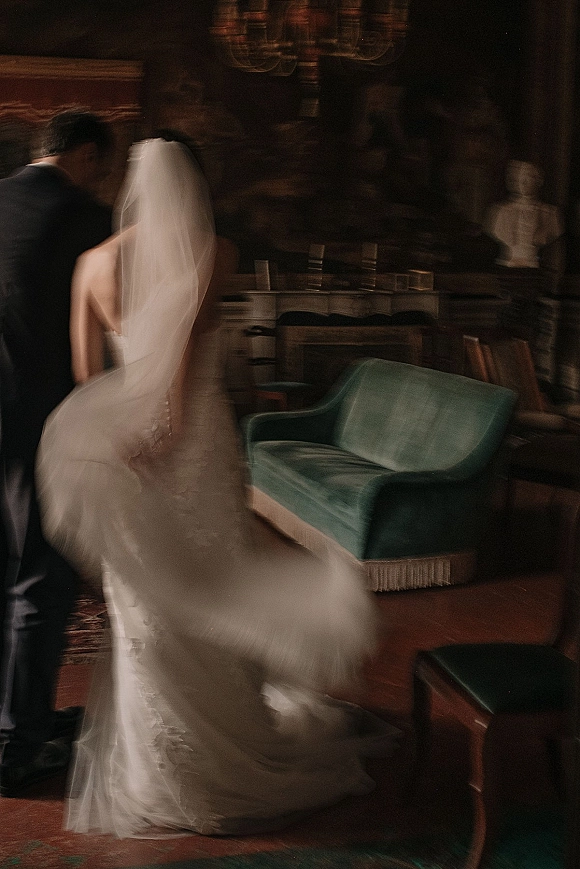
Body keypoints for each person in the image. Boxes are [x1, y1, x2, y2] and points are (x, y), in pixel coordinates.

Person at [36, 138, 397, 837]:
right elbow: (185, 354)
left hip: (123, 445)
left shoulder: (92, 264)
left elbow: (87, 377)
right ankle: (218, 748)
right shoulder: (214, 252)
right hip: (197, 439)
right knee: (211, 576)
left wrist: (121, 436)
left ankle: (157, 769)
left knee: (146, 602)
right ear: (194, 188)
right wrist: (169, 430)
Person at [0, 110, 113, 797]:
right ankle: (19, 744)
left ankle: (19, 721)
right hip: (42, 422)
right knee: (40, 578)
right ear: (88, 154)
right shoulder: (85, 218)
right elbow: (100, 331)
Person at [486, 160, 562, 268]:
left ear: (539, 181)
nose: (523, 181)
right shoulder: (501, 211)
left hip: (534, 268)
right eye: (519, 176)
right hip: (507, 266)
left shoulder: (550, 214)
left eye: (528, 176)